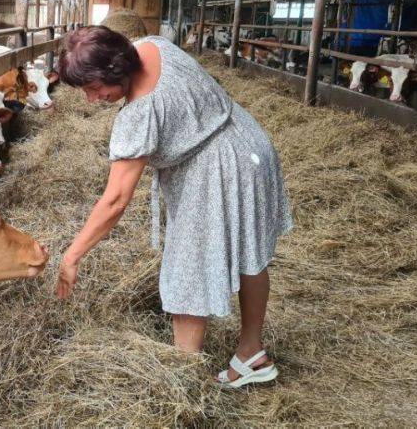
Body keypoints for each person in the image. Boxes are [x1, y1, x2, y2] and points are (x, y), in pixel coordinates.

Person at [54, 26, 293, 388]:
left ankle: (183, 385)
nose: (92, 99)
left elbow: (116, 199)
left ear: (117, 70)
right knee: (250, 255)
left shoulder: (140, 113)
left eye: (93, 88)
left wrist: (72, 256)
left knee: (186, 273)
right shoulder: (153, 46)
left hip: (217, 169)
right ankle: (251, 352)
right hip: (247, 143)